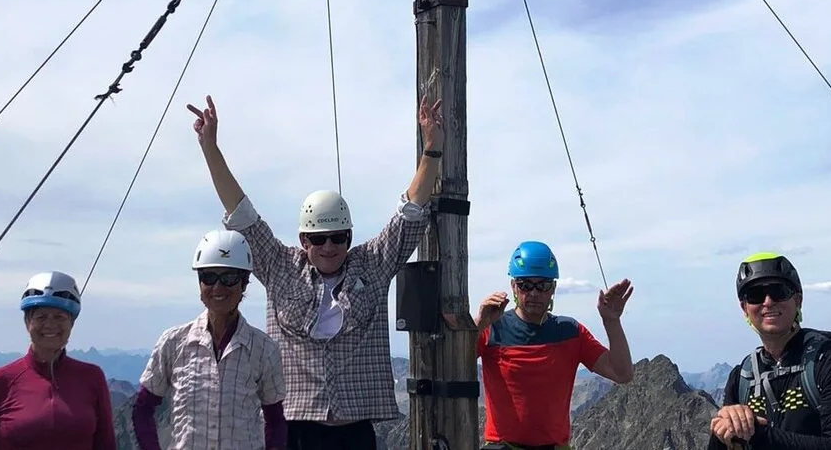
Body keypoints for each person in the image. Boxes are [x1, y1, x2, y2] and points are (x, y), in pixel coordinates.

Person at [185, 93, 444, 449]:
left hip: (354, 433)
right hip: (292, 430)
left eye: (339, 237)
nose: (329, 247)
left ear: (350, 236)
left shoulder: (372, 263)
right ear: (303, 239)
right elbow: (240, 213)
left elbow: (410, 212)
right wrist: (210, 148)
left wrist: (432, 149)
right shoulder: (279, 266)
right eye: (319, 238)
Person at [707, 252, 831, 449]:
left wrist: (757, 434)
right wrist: (722, 432)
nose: (768, 302)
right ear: (745, 308)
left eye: (779, 291)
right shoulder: (742, 377)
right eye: (755, 295)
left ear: (798, 301)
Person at [132, 229, 286, 450]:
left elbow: (275, 420)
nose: (217, 287)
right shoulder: (173, 343)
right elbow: (143, 408)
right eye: (209, 277)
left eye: (229, 278)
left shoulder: (264, 349)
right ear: (199, 282)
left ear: (244, 283)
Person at [474, 240, 635, 450]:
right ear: (513, 286)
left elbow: (622, 373)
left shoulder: (571, 331)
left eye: (542, 285)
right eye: (525, 284)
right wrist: (479, 322)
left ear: (553, 288)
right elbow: (454, 365)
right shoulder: (493, 327)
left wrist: (611, 321)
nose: (533, 293)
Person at [0, 271, 115, 450]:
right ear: (27, 322)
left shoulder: (92, 377)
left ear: (72, 322)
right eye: (41, 317)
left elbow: (106, 444)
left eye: (59, 317)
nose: (50, 324)